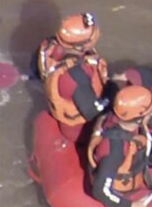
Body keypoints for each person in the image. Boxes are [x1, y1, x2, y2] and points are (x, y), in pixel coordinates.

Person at [39, 13, 112, 142]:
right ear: (81, 45)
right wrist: (113, 94)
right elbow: (91, 111)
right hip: (79, 130)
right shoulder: (75, 76)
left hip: (74, 101)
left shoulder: (49, 46)